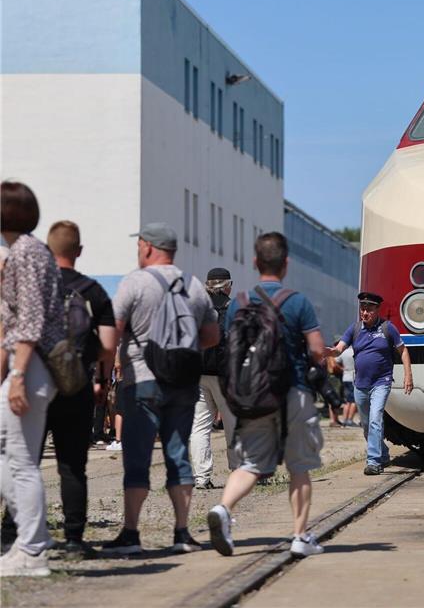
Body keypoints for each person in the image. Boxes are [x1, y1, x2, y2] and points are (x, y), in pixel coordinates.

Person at [207, 232, 328, 558]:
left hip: (255, 396)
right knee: (299, 466)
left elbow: (228, 347)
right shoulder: (298, 301)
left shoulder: (240, 304)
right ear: (286, 263)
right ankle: (300, 536)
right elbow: (317, 350)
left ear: (255, 262)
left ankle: (222, 509)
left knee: (250, 464)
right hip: (294, 393)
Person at [102, 223, 220, 555]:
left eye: (138, 245)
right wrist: (181, 350)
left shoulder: (135, 282)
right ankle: (182, 533)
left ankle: (131, 534)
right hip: (183, 382)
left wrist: (106, 369)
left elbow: (112, 334)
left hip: (142, 381)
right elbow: (212, 336)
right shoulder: (193, 286)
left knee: (137, 458)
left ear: (148, 247)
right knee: (178, 455)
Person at [0, 181, 65, 577]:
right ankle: (29, 539)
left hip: (32, 364)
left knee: (22, 461)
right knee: (12, 455)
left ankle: (33, 549)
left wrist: (18, 374)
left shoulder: (25, 253)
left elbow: (30, 321)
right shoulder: (26, 251)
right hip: (29, 364)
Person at [45, 221, 118, 558]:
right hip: (77, 386)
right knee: (73, 464)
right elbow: (107, 346)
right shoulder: (94, 292)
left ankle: (15, 529)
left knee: (25, 462)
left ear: (49, 250)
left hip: (36, 385)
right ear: (79, 251)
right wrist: (98, 375)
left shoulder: (37, 288)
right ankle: (74, 538)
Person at [327, 292, 413, 475]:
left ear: (377, 309)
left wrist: (408, 376)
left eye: (369, 309)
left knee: (375, 419)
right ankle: (382, 453)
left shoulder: (388, 328)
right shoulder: (355, 329)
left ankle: (373, 461)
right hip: (360, 384)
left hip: (382, 382)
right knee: (366, 425)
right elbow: (339, 349)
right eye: (362, 309)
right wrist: (330, 352)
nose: (364, 312)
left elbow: (403, 351)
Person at [190, 267, 237, 489]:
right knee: (232, 424)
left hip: (198, 374)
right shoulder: (234, 308)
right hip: (225, 375)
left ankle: (201, 477)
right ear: (227, 285)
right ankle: (238, 471)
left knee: (200, 426)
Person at [334, 343, 358, 426]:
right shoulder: (355, 351)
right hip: (354, 376)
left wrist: (341, 368)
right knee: (354, 400)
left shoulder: (344, 352)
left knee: (348, 401)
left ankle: (344, 419)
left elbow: (335, 361)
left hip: (345, 376)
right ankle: (350, 419)